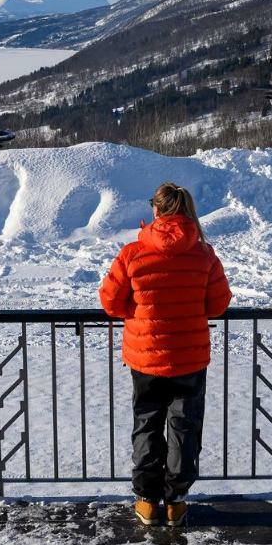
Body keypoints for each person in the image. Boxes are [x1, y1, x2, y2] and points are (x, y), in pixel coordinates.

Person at [99, 182, 231, 527]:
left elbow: (110, 302)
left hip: (146, 359)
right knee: (184, 429)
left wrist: (138, 310)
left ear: (155, 210)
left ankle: (145, 501)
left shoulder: (132, 253)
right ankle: (176, 501)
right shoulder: (203, 253)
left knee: (147, 425)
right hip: (189, 359)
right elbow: (217, 305)